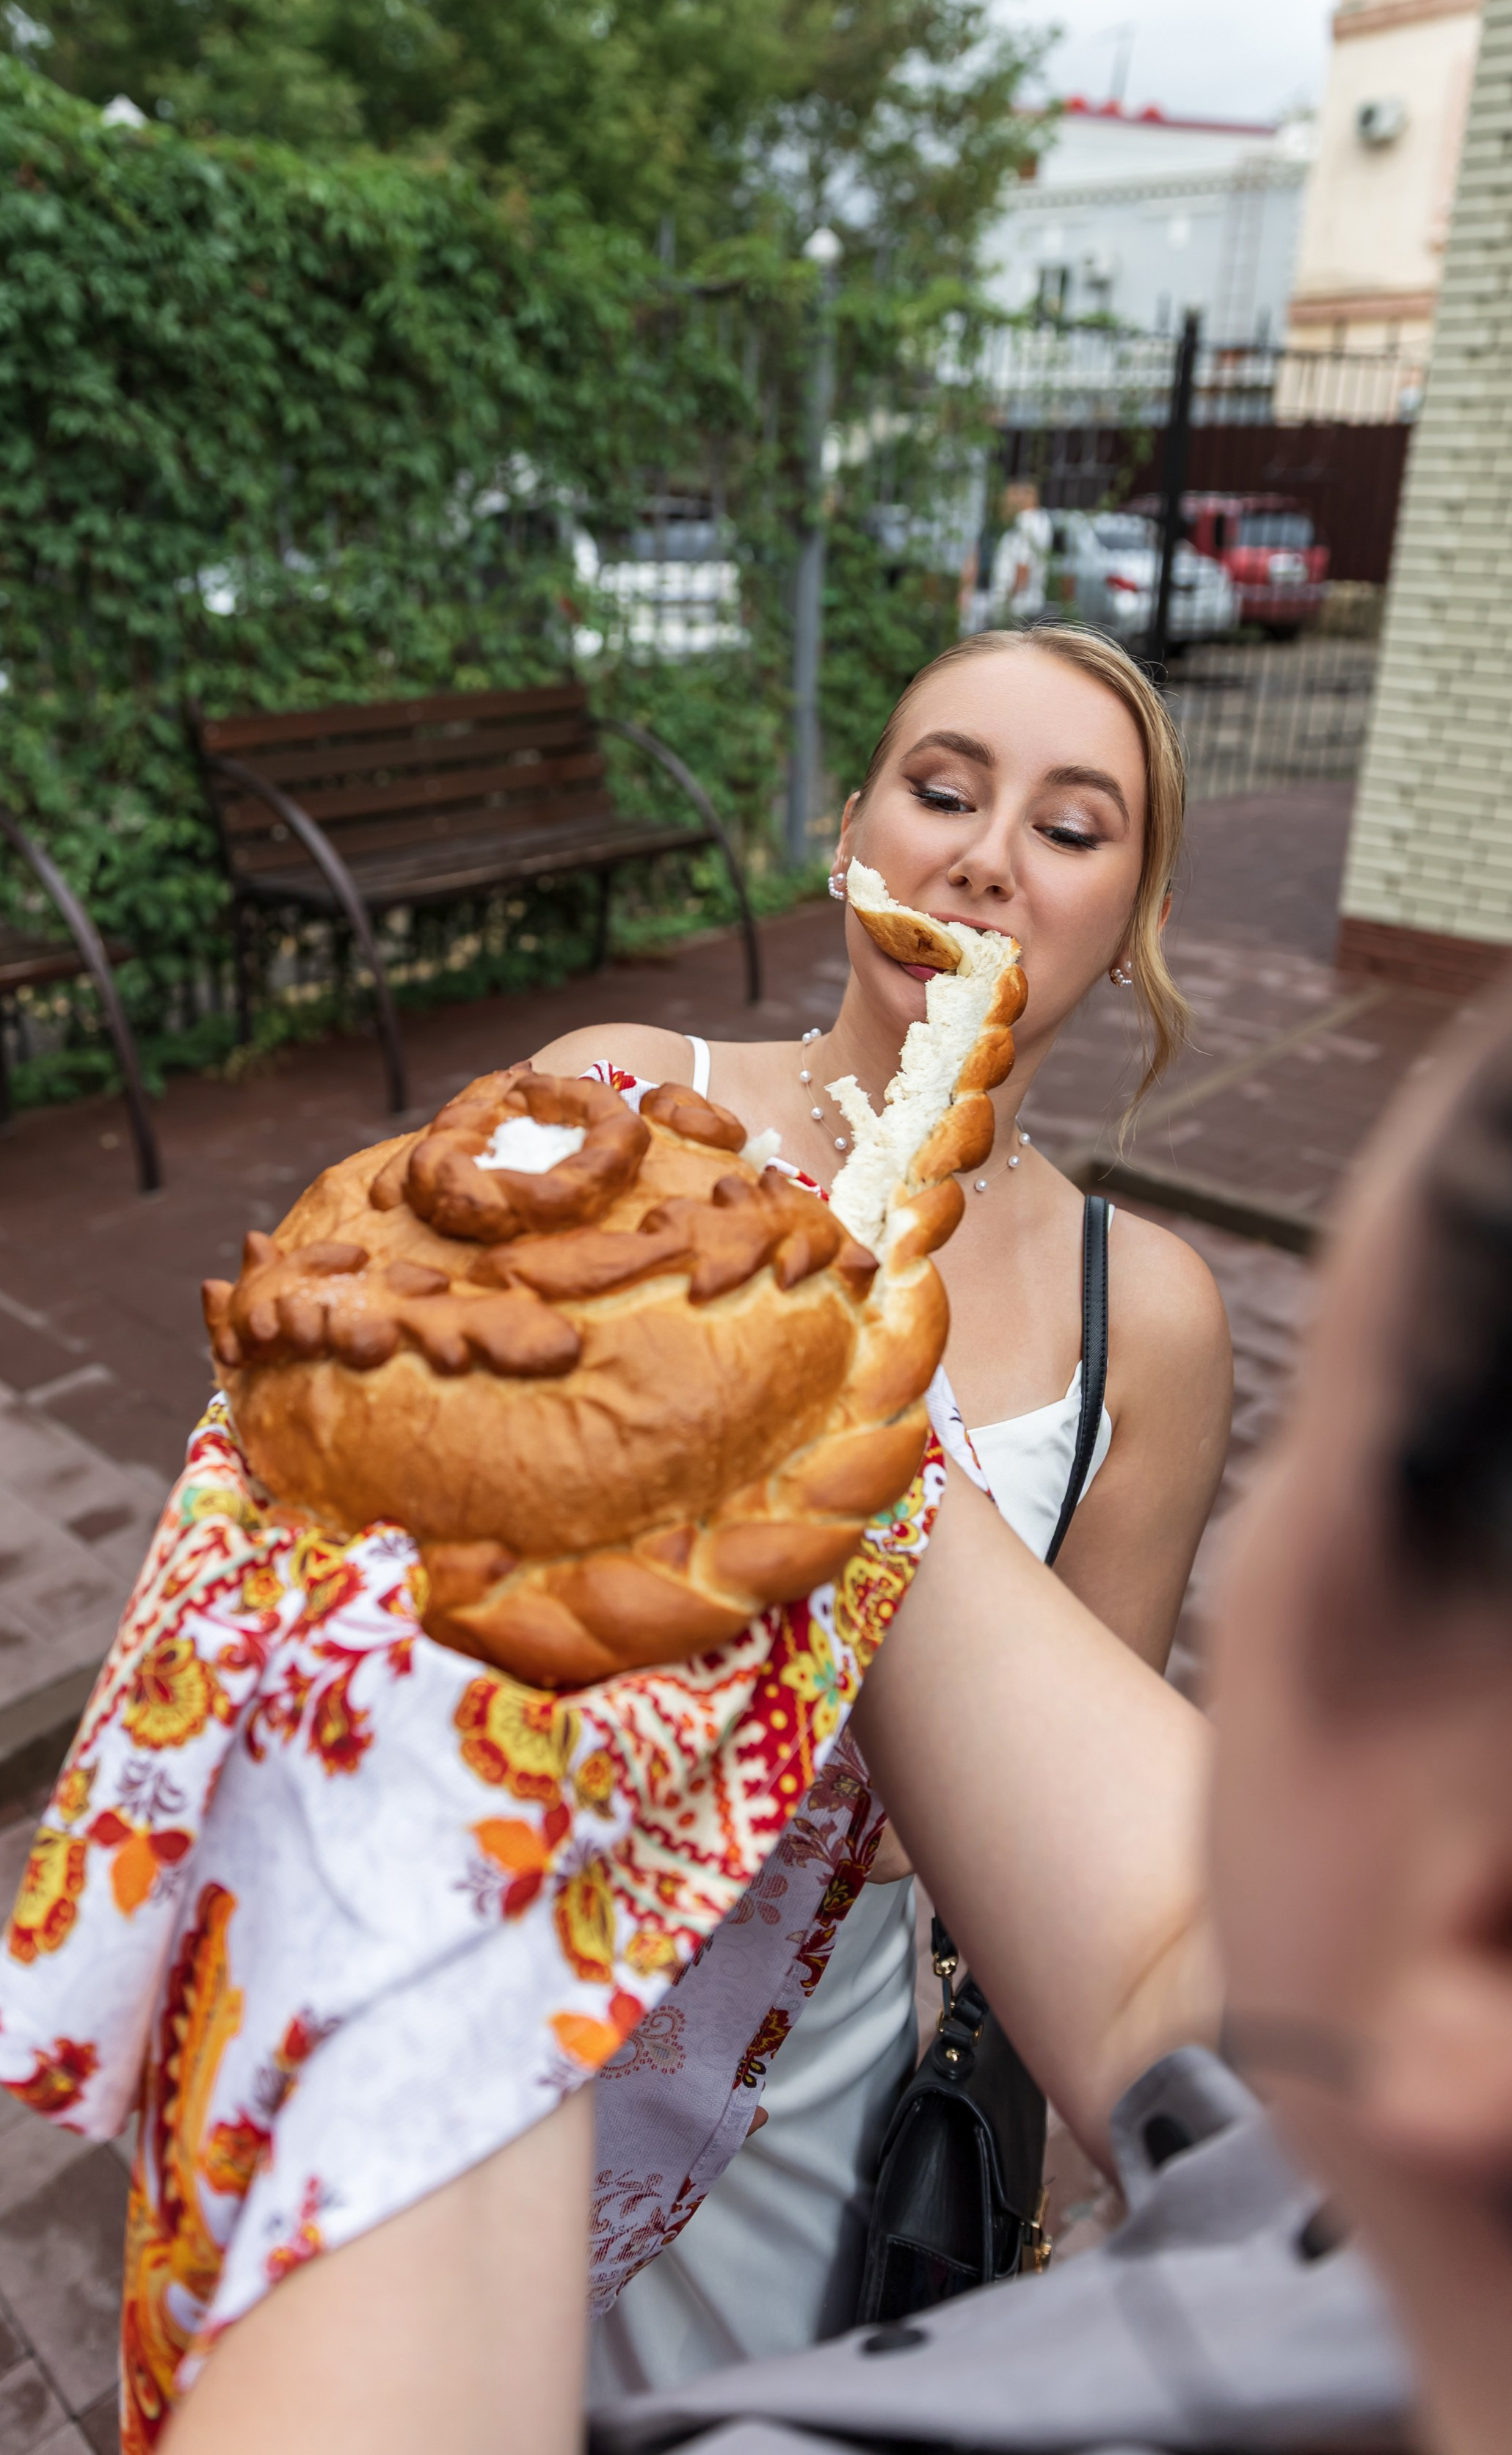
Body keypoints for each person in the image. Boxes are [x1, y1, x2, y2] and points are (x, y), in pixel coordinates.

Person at [165, 990, 1512, 2455]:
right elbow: (1167, 1956)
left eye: (1356, 1475)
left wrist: (408, 1873)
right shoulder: (1368, 2173)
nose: (1246, 1571)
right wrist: (722, 1367)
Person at [532, 622, 1232, 2383]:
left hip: (801, 2078)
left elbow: (1046, 1838)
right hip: (503, 1975)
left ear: (1129, 919)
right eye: (944, 790)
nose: (989, 855)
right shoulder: (626, 1097)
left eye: (1074, 829)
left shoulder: (1138, 1306)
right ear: (852, 831)